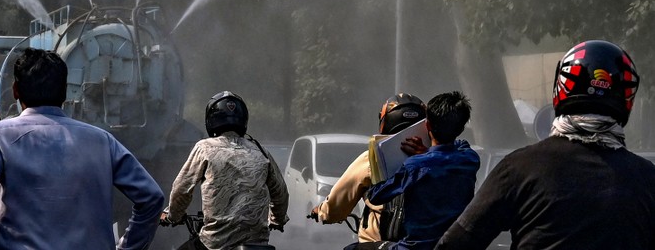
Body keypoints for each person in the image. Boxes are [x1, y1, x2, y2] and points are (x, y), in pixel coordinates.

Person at [436, 40, 655, 249]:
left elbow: (455, 243)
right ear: (626, 96)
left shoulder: (520, 166)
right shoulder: (647, 179)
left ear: (561, 87)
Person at [0, 48, 164, 250]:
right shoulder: (102, 141)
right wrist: (129, 246)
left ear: (15, 91)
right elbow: (152, 197)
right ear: (64, 91)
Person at [161, 90, 289, 250]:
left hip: (215, 243)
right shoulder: (260, 151)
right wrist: (277, 219)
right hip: (258, 244)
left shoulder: (205, 148)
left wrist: (173, 216)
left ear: (210, 120)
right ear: (243, 119)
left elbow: (182, 188)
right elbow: (281, 193)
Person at [363, 91, 479, 250]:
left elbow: (376, 196)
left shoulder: (415, 166)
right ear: (461, 127)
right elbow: (458, 145)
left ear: (427, 125)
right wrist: (427, 152)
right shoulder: (469, 159)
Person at [311, 93, 427, 243]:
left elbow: (338, 203)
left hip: (376, 244)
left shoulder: (373, 158)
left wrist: (322, 211)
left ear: (385, 121)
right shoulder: (436, 157)